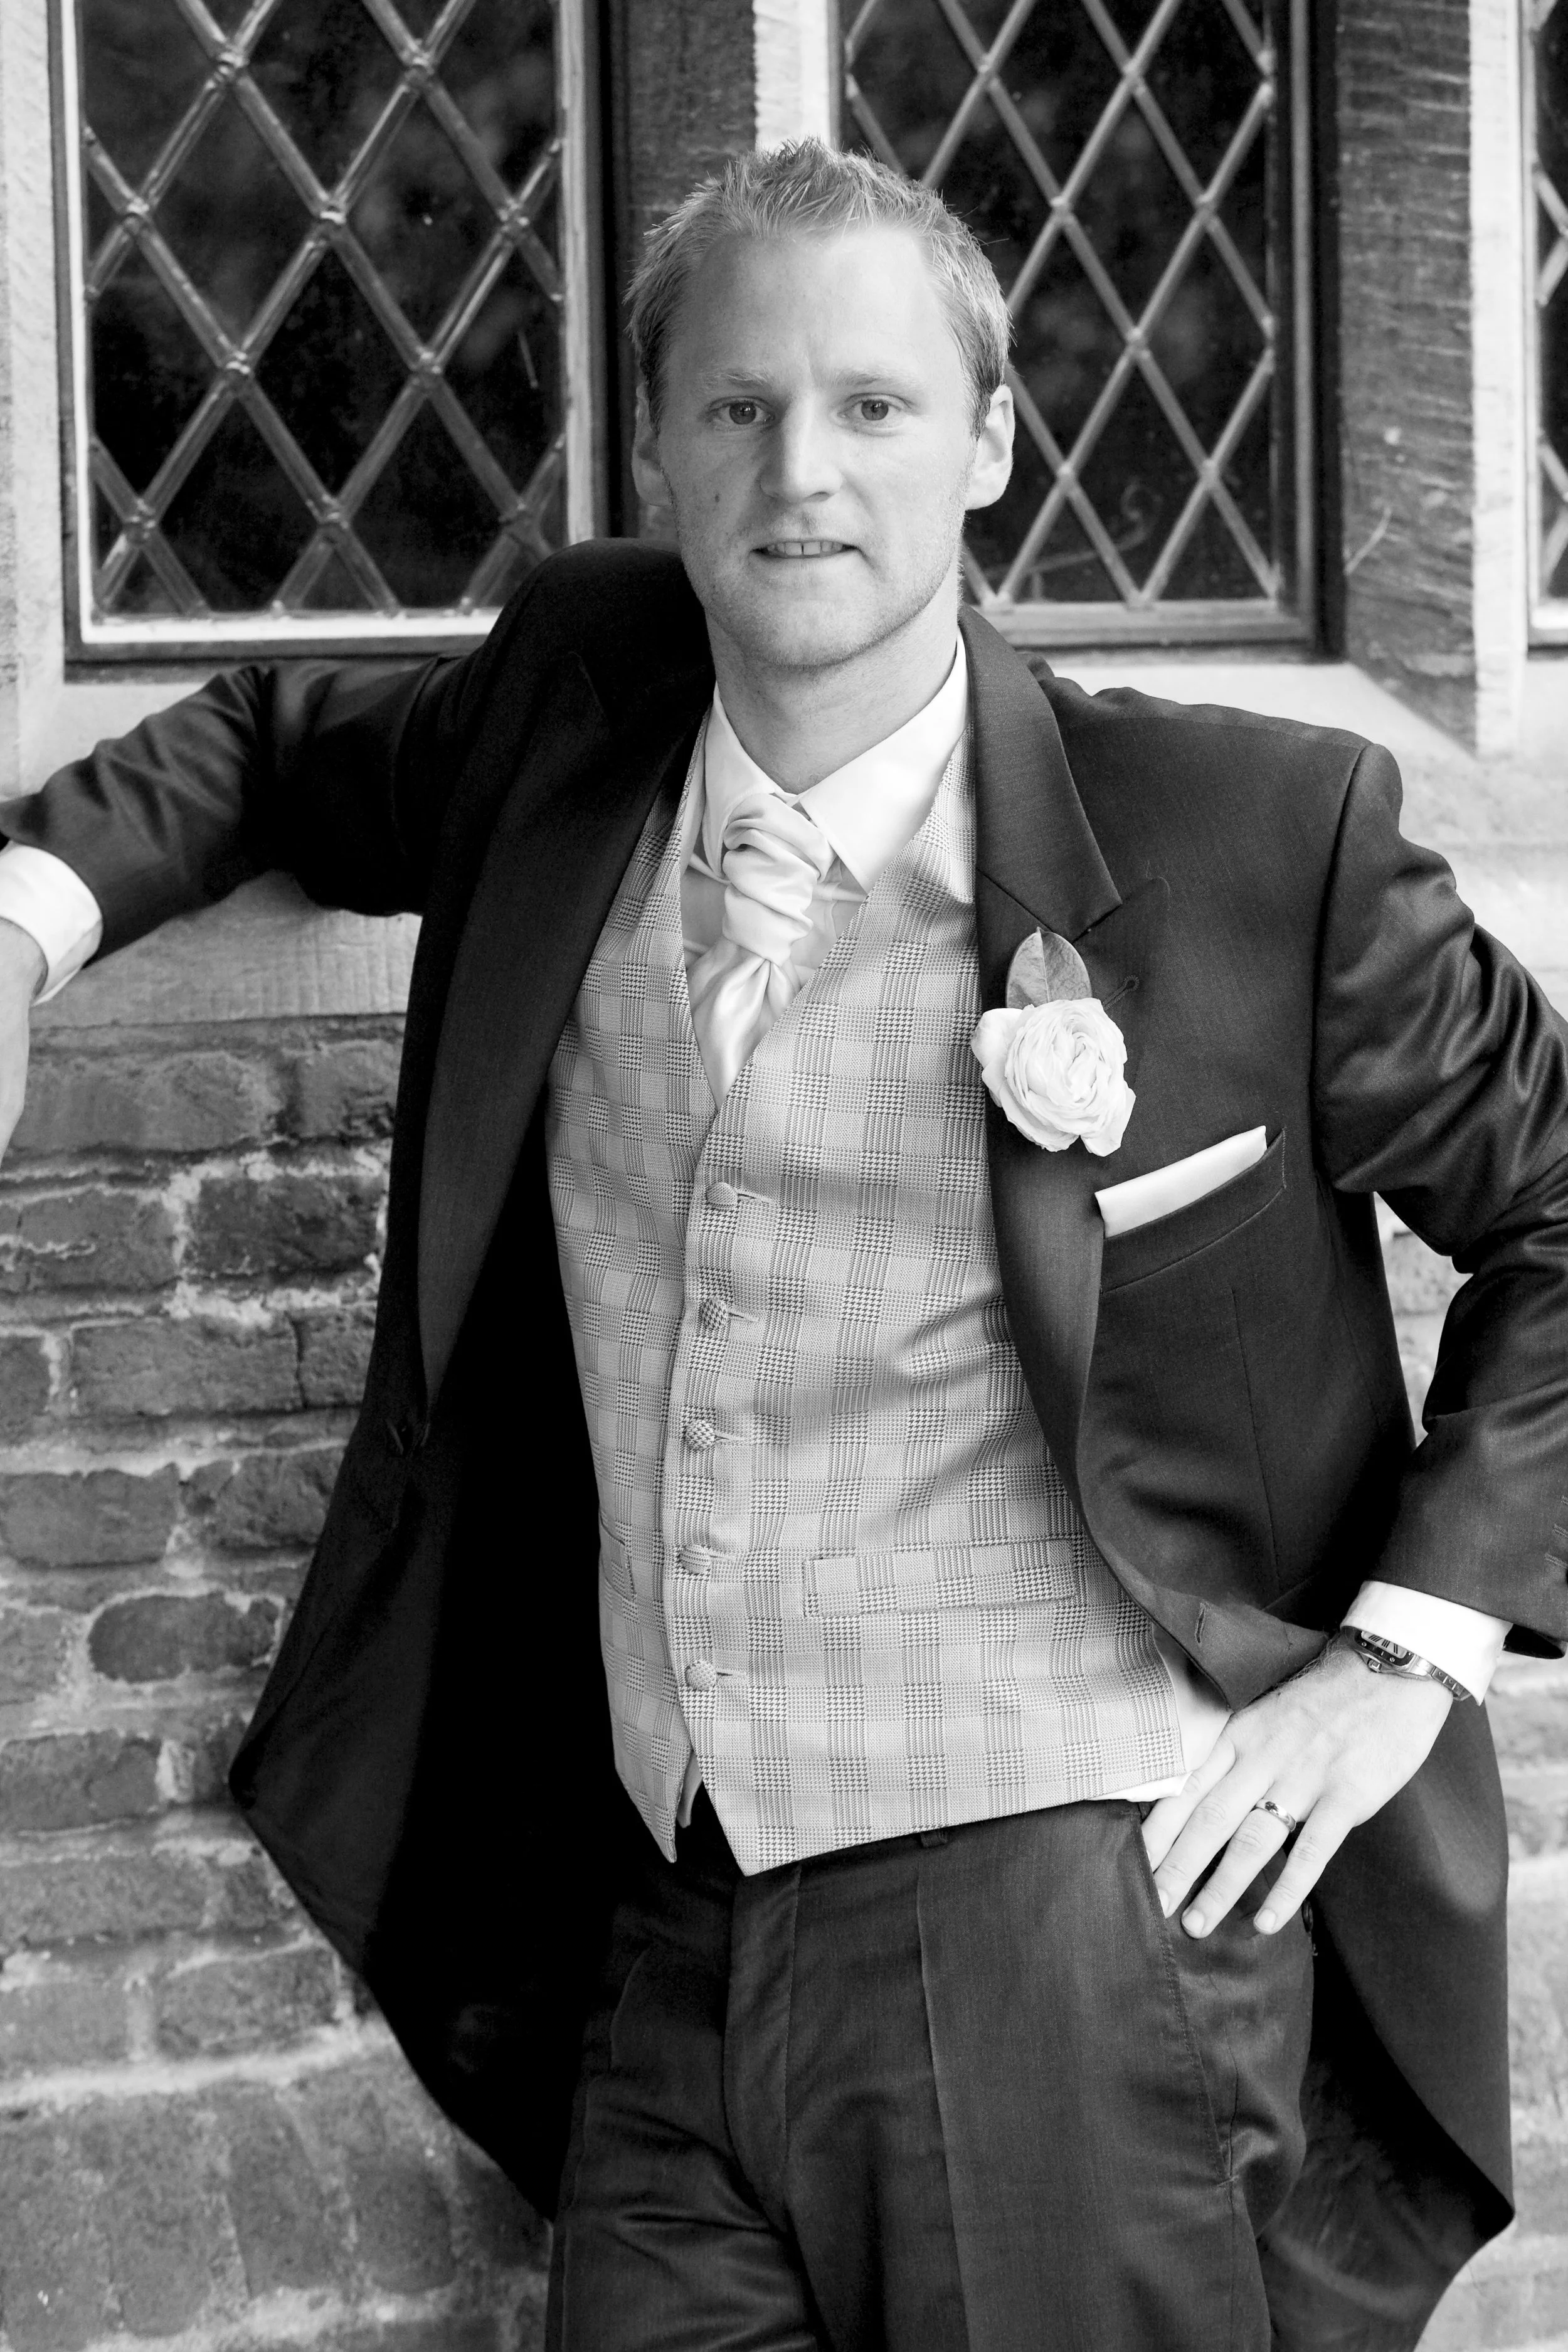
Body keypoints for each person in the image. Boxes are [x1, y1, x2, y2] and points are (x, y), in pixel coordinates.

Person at [0, 140, 1562, 2352]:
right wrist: (22, 925)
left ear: (993, 443)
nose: (798, 472)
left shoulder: (1248, 834)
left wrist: (1407, 1655)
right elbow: (270, 737)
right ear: (657, 442)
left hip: (1067, 1934)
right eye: (737, 407)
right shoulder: (572, 698)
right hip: (668, 1927)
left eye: (871, 407)